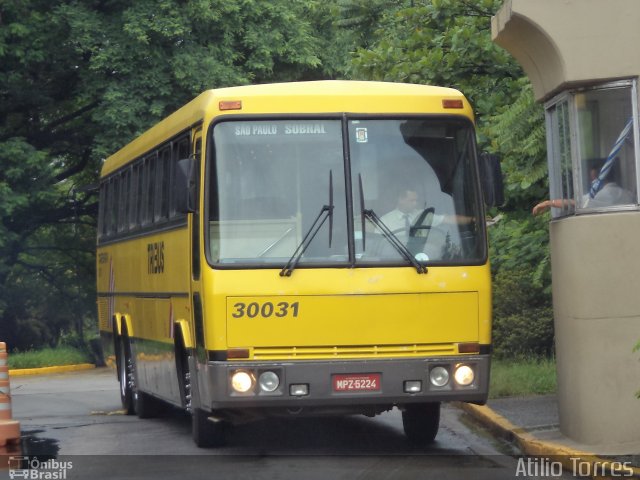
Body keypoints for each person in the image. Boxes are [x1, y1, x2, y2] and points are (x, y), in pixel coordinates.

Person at [532, 161, 634, 215]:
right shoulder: (629, 194)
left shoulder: (602, 195)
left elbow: (575, 203)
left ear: (600, 179)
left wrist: (549, 203)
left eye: (593, 178)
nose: (592, 182)